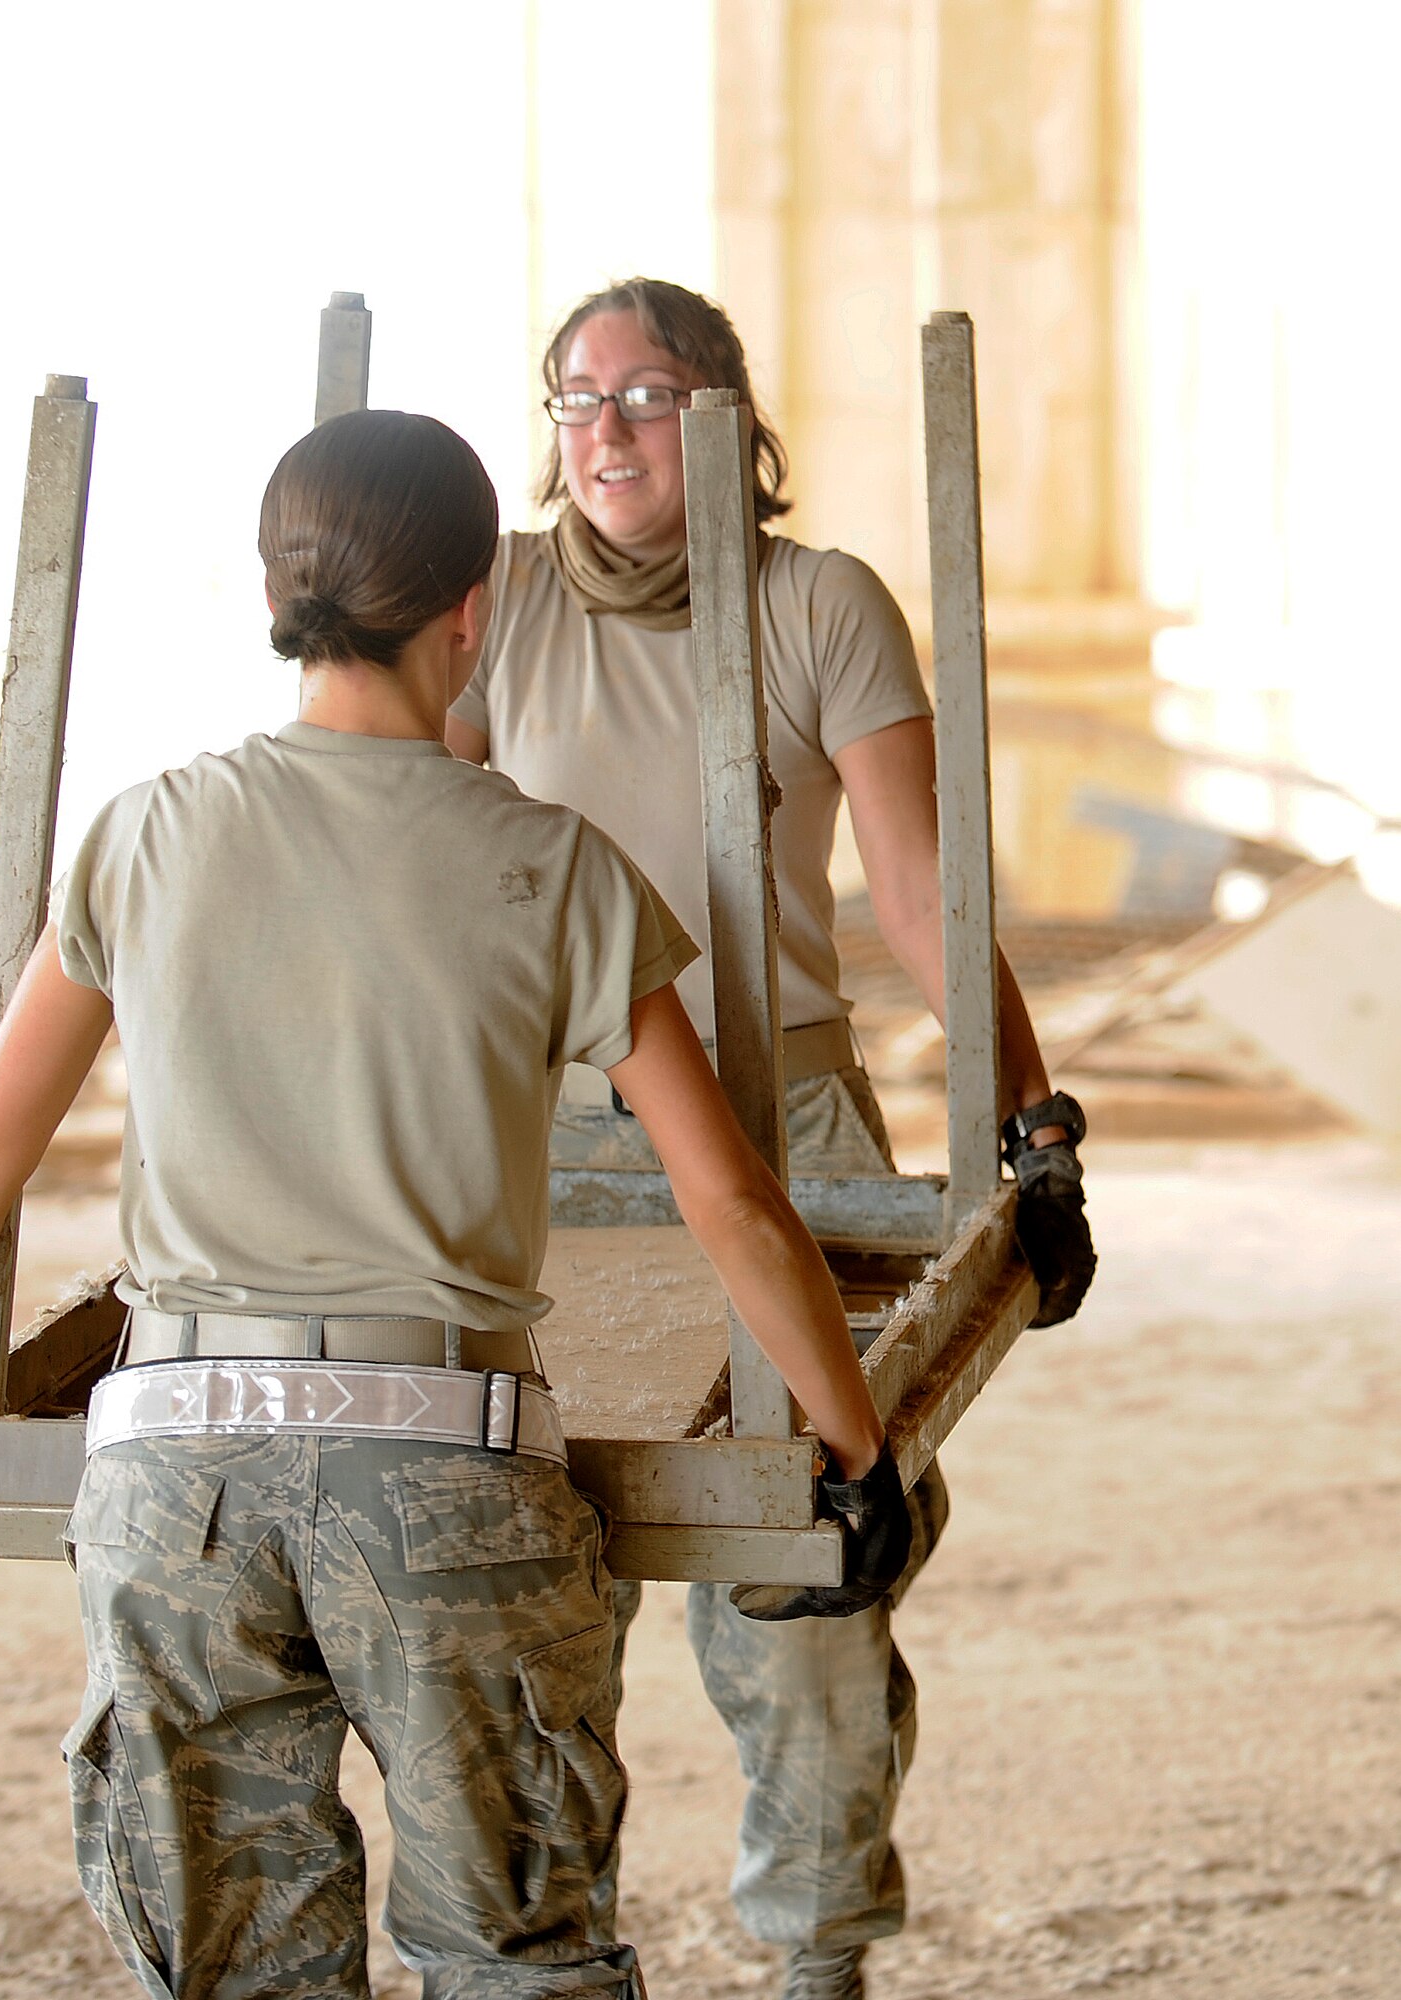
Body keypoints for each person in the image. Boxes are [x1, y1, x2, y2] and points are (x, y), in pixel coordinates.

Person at [0, 408, 920, 2000]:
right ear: (472, 612)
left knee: (236, 1970)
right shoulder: (553, 863)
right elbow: (735, 1202)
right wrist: (852, 1443)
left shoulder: (145, 833)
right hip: (445, 1476)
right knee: (510, 1959)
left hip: (172, 1478)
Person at [446, 278, 1098, 2000]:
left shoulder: (821, 604)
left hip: (784, 1107)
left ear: (732, 417)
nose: (600, 429)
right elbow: (420, 861)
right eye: (571, 395)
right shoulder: (491, 603)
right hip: (548, 1124)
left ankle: (815, 1962)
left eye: (647, 394)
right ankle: (548, 1959)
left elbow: (916, 891)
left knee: (800, 1567)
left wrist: (1028, 1128)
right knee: (534, 1547)